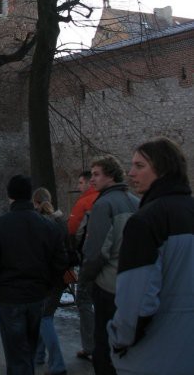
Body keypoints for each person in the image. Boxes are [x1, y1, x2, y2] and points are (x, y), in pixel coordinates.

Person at [108, 138, 194, 375]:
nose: (130, 172)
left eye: (139, 166)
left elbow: (136, 302)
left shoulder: (145, 221)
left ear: (162, 168)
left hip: (156, 354)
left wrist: (119, 339)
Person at [0, 175, 67, 375]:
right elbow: (60, 261)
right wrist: (47, 287)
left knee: (16, 355)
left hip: (9, 298)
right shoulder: (48, 225)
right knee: (28, 349)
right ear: (29, 196)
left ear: (10, 196)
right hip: (36, 296)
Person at [79, 156, 138, 375]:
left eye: (96, 174)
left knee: (103, 346)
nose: (92, 179)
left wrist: (85, 278)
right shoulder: (136, 201)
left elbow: (95, 252)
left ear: (110, 175)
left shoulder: (103, 204)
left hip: (108, 285)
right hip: (133, 283)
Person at [32, 187, 68, 375]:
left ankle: (57, 364)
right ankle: (38, 354)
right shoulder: (60, 221)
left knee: (44, 318)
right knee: (44, 316)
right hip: (60, 277)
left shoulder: (40, 224)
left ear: (35, 202)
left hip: (46, 279)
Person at [67, 170, 99, 361]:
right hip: (113, 262)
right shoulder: (115, 198)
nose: (78, 187)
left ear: (89, 183)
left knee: (84, 300)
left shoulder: (85, 202)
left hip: (89, 259)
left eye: (80, 183)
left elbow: (73, 231)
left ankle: (90, 346)